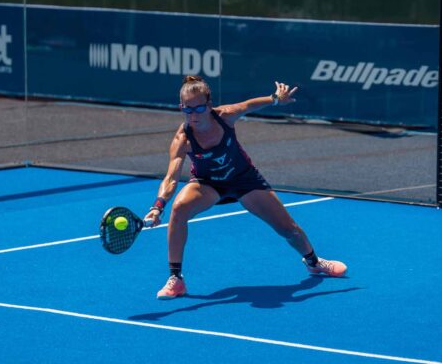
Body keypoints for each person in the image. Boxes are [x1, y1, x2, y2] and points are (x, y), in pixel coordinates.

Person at [145, 75, 347, 300]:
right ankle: (176, 279)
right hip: (208, 183)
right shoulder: (182, 139)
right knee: (179, 208)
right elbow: (171, 178)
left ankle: (314, 262)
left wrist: (275, 99)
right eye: (187, 109)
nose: (193, 115)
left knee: (289, 230)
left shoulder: (225, 116)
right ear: (181, 108)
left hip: (244, 180)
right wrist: (157, 206)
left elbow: (249, 105)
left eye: (199, 108)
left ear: (209, 105)